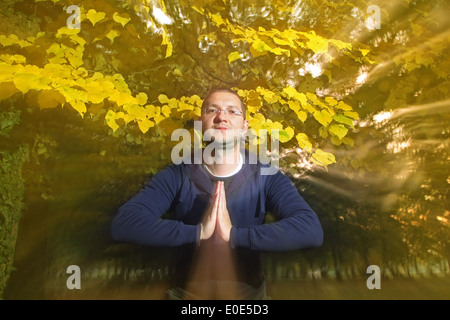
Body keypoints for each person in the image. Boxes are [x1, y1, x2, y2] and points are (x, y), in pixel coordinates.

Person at [111, 88, 323, 299]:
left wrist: (234, 236)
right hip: (186, 294)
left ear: (244, 128)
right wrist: (198, 233)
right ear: (201, 124)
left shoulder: (267, 176)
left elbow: (310, 229)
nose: (222, 117)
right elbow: (125, 223)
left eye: (232, 111)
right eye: (212, 110)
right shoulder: (178, 173)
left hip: (248, 296)